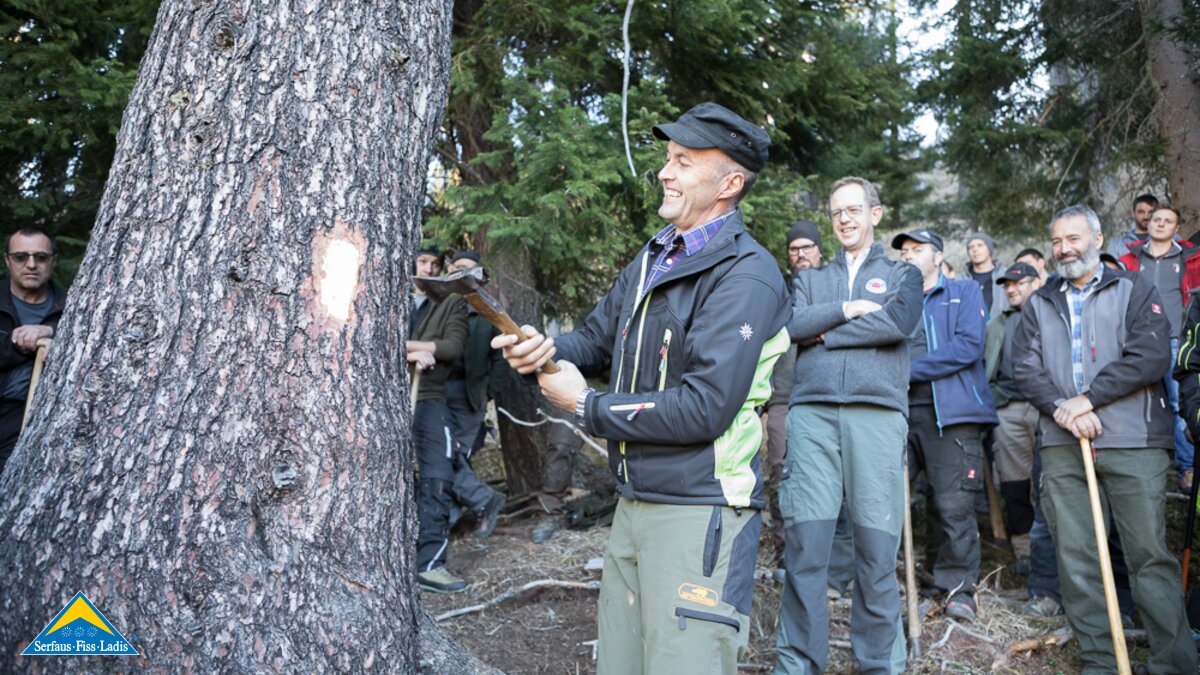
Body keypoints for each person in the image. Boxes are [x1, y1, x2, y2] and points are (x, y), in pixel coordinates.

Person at [492, 102, 791, 674]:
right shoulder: (656, 256)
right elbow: (598, 340)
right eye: (667, 158)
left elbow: (703, 409)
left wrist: (585, 405)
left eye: (683, 161)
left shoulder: (746, 275)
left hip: (701, 511)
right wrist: (544, 348)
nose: (664, 171)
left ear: (730, 184)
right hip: (634, 505)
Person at [1012, 204, 1195, 673]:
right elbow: (1024, 369)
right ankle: (1100, 661)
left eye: (1073, 238)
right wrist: (1062, 410)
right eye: (1056, 241)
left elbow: (1151, 355)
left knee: (1148, 555)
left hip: (1134, 442)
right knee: (1076, 558)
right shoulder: (1038, 302)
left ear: (1097, 238)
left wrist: (1088, 399)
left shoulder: (1134, 287)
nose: (1064, 248)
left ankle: (1173, 663)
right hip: (1062, 444)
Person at [775, 177, 922, 674]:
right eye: (837, 212)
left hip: (877, 417)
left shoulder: (904, 274)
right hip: (812, 415)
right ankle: (797, 664)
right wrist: (847, 309)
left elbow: (898, 323)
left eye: (854, 209)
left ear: (876, 214)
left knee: (876, 557)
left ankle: (881, 665)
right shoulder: (810, 278)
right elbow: (791, 325)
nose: (844, 219)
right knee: (806, 550)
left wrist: (827, 335)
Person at [894, 228, 996, 622]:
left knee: (953, 505)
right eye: (904, 251)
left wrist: (907, 369)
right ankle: (896, 583)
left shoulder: (964, 292)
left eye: (917, 250)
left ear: (938, 256)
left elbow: (969, 346)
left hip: (950, 415)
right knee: (887, 500)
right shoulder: (895, 299)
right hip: (898, 413)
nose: (908, 256)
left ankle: (958, 591)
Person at [1118, 204, 1200, 491]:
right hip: (1140, 341)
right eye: (1156, 219)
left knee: (1181, 405)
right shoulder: (1130, 259)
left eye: (1168, 221)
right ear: (1147, 223)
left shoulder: (1190, 259)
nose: (1161, 224)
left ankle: (1188, 468)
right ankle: (1137, 465)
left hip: (1178, 338)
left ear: (1177, 229)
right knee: (1137, 402)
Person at [407, 245, 471, 593]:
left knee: (437, 473)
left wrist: (422, 349)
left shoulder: (450, 302)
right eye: (422, 262)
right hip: (385, 398)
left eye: (434, 264)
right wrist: (414, 348)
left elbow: (452, 347)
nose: (429, 270)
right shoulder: (390, 294)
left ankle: (429, 564)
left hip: (429, 397)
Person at [441, 250, 508, 538]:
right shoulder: (440, 306)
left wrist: (487, 392)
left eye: (469, 271)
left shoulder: (489, 313)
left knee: (456, 456)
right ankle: (472, 503)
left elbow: (502, 360)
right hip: (437, 394)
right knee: (440, 454)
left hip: (470, 396)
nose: (463, 275)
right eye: (457, 269)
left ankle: (460, 511)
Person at [983, 262, 1042, 576]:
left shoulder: (1051, 314)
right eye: (1006, 285)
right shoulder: (997, 323)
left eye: (1018, 283)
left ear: (1036, 282)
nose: (1011, 289)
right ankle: (1024, 551)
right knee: (1014, 483)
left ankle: (1054, 551)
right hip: (1007, 407)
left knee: (1048, 481)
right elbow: (983, 366)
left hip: (1048, 408)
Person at [0, 229, 65, 472]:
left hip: (30, 420)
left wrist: (51, 333)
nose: (31, 265)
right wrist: (23, 343)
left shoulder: (73, 309)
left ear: (53, 261)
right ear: (8, 260)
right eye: (20, 257)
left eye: (41, 257)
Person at [965, 231, 1008, 319]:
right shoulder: (960, 279)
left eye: (980, 245)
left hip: (1001, 328)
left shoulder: (1005, 275)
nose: (975, 250)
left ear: (989, 249)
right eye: (971, 247)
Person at [1106, 193, 1158, 259]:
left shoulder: (1169, 240)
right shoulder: (1118, 243)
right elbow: (1111, 268)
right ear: (1133, 213)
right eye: (1141, 212)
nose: (1146, 216)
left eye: (1151, 212)